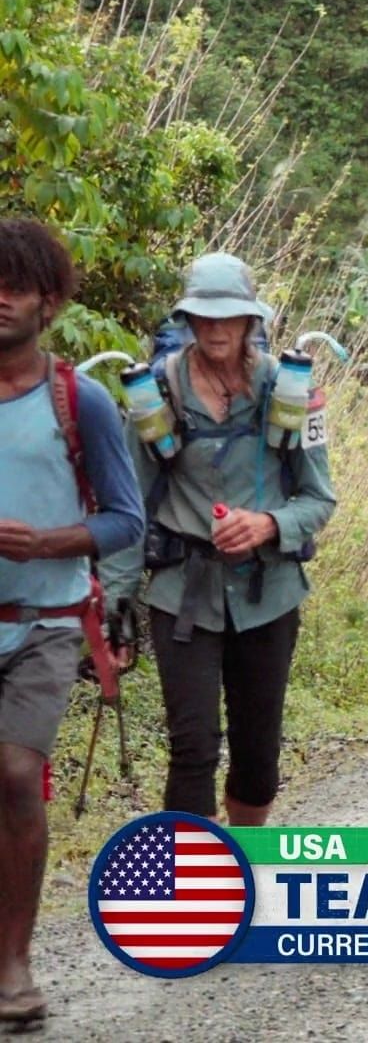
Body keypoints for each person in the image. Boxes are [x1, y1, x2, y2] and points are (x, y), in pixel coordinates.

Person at [101, 252, 337, 826]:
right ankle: (197, 892)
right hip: (183, 593)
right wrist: (114, 607)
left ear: (250, 321)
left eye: (228, 317)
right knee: (193, 748)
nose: (215, 329)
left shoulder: (291, 393)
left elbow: (319, 498)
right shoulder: (155, 396)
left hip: (270, 592)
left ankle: (246, 871)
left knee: (258, 754)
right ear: (188, 320)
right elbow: (131, 507)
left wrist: (269, 524)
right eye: (203, 318)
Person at [0, 218, 144, 1026]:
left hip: (46, 622)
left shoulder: (78, 400)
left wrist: (49, 540)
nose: (0, 297)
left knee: (18, 777)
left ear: (48, 303)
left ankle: (14, 967)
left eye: (15, 285)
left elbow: (128, 521)